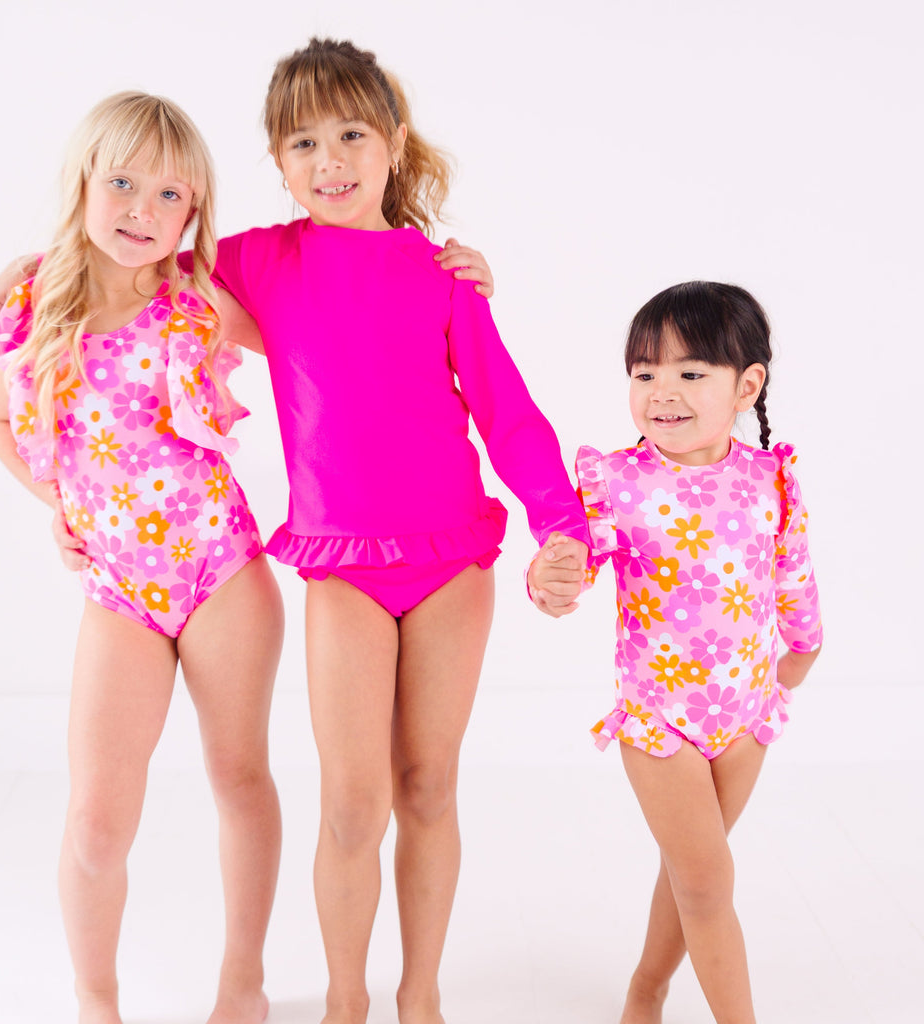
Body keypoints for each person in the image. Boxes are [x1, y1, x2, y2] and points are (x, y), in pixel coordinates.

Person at [192, 37, 590, 1024]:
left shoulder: (442, 272)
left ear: (394, 142)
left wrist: (561, 527)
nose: (328, 161)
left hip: (452, 558)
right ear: (277, 161)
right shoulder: (262, 259)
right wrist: (32, 276)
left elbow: (508, 415)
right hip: (342, 565)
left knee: (428, 786)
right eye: (302, 144)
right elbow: (141, 259)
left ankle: (420, 995)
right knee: (351, 803)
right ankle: (346, 1000)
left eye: (351, 135)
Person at [0, 91, 287, 1024]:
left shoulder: (198, 298)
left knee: (239, 777)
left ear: (193, 212)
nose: (142, 212)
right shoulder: (33, 301)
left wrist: (443, 282)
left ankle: (243, 984)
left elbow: (322, 336)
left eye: (169, 196)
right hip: (120, 587)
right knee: (96, 821)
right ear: (83, 180)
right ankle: (96, 1000)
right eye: (122, 184)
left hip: (223, 569)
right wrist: (59, 505)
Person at [529, 281, 823, 1024]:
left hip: (747, 713)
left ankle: (646, 988)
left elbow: (792, 572)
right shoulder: (616, 482)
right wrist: (549, 578)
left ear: (746, 386)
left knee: (694, 871)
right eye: (645, 372)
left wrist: (802, 650)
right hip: (661, 720)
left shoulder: (769, 479)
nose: (662, 391)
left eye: (691, 372)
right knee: (707, 881)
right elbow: (573, 563)